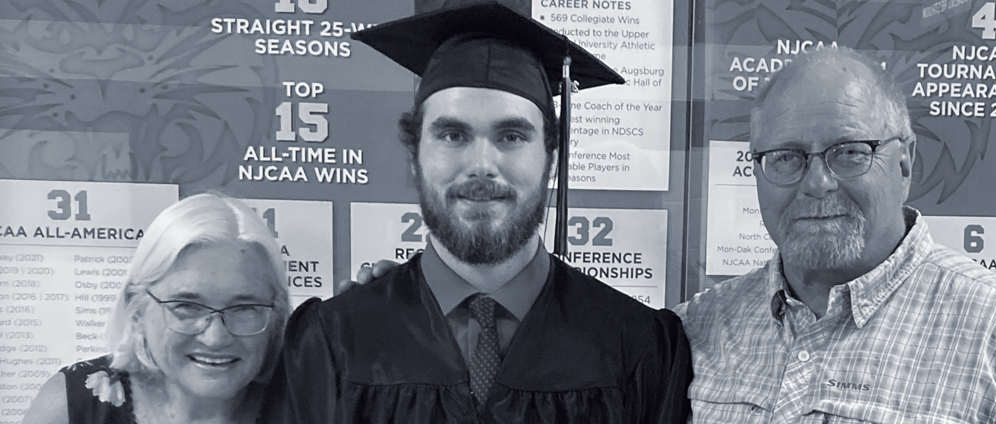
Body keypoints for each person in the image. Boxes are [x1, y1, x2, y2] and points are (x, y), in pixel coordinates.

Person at [259, 3, 692, 423]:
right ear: (414, 157)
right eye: (452, 134)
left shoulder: (636, 346)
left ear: (552, 158)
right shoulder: (333, 341)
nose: (482, 163)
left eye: (511, 135)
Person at [674, 46, 996, 422]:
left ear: (905, 162)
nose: (817, 183)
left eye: (850, 152)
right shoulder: (697, 328)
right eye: (785, 157)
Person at [22, 193, 291, 424]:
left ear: (276, 315)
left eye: (244, 308)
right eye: (186, 306)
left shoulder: (309, 404)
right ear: (136, 309)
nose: (216, 337)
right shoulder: (73, 407)